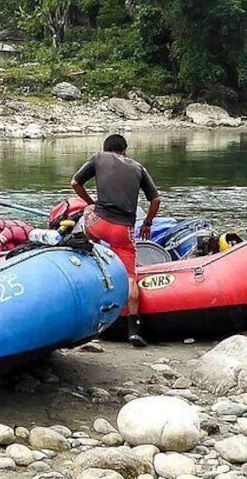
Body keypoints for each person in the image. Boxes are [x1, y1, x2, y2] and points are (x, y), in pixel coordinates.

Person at [71, 133, 161, 347]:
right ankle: (134, 329)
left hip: (98, 223)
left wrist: (91, 202)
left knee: (87, 215)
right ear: (125, 150)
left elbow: (75, 182)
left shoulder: (98, 158)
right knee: (131, 277)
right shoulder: (139, 168)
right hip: (123, 230)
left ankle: (88, 257)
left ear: (106, 148)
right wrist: (147, 223)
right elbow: (155, 199)